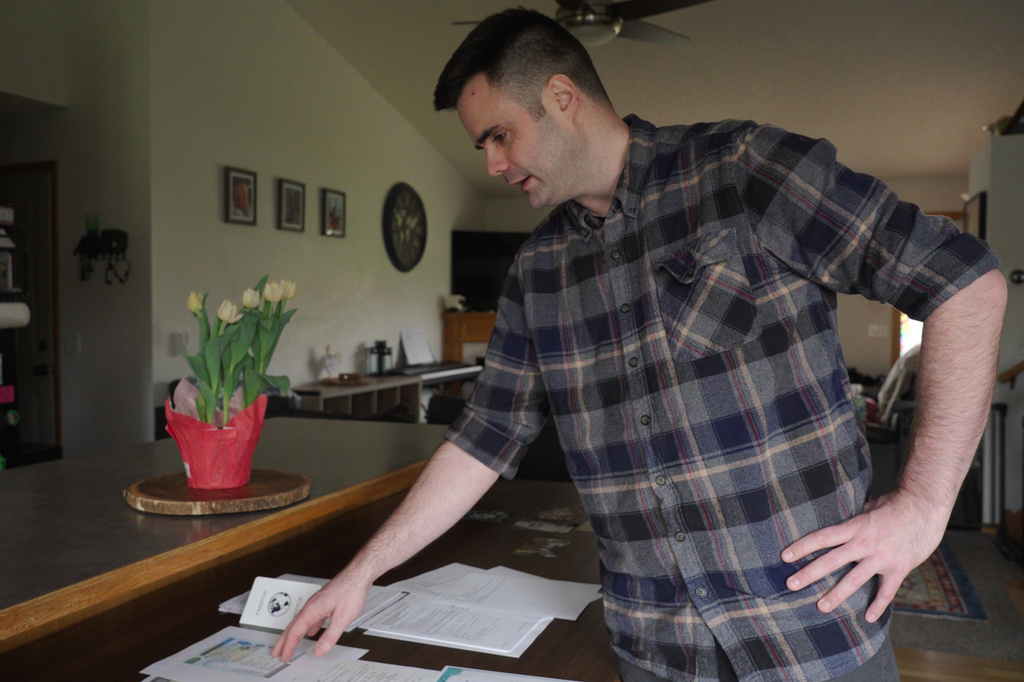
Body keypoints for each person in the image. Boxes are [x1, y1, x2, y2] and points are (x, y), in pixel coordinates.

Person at [274, 9, 1006, 680]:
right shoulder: (536, 271)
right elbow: (483, 440)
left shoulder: (743, 170)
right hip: (656, 655)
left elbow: (964, 281)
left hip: (814, 637)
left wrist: (922, 506)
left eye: (499, 136)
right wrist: (360, 573)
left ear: (561, 97)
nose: (491, 164)